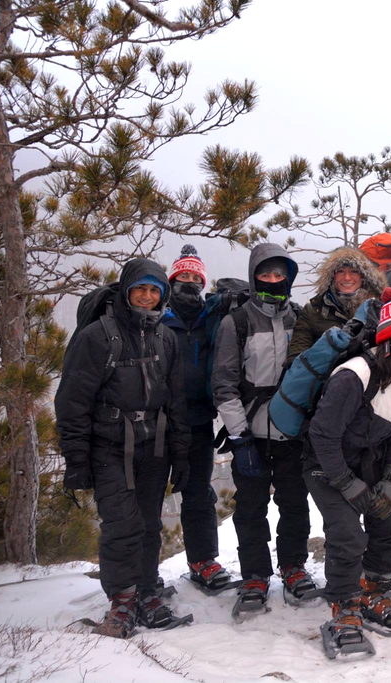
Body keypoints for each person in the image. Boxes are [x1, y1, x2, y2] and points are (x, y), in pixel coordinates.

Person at [56, 258, 190, 637]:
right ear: (127, 290)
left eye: (155, 291)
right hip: (109, 446)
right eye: (140, 289)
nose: (147, 297)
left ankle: (147, 591)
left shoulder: (166, 337)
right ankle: (122, 601)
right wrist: (76, 458)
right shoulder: (98, 336)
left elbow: (175, 400)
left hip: (154, 445)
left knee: (148, 524)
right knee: (121, 525)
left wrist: (180, 452)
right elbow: (72, 401)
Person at [305, 290, 391, 651]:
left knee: (390, 525)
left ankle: (372, 588)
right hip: (326, 463)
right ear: (388, 339)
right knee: (346, 535)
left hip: (369, 459)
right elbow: (322, 435)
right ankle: (344, 603)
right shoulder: (354, 375)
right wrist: (345, 482)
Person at [211, 243, 315, 611]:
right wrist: (239, 438)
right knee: (251, 506)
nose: (273, 280)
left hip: (290, 430)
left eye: (279, 274)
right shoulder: (235, 323)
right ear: (254, 277)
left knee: (293, 502)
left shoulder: (300, 317)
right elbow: (223, 383)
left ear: (289, 277)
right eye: (266, 274)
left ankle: (294, 567)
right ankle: (255, 574)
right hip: (250, 431)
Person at [159, 245, 235, 591]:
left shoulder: (211, 319)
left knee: (197, 493)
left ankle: (203, 561)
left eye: (194, 278)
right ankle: (142, 575)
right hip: (158, 422)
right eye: (182, 277)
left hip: (200, 420)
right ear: (171, 281)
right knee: (148, 497)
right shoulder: (159, 318)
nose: (188, 283)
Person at [288, 246, 385, 363]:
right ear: (331, 276)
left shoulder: (378, 309)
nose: (347, 277)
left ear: (363, 276)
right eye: (340, 271)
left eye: (354, 271)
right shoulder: (313, 311)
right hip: (325, 379)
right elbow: (296, 358)